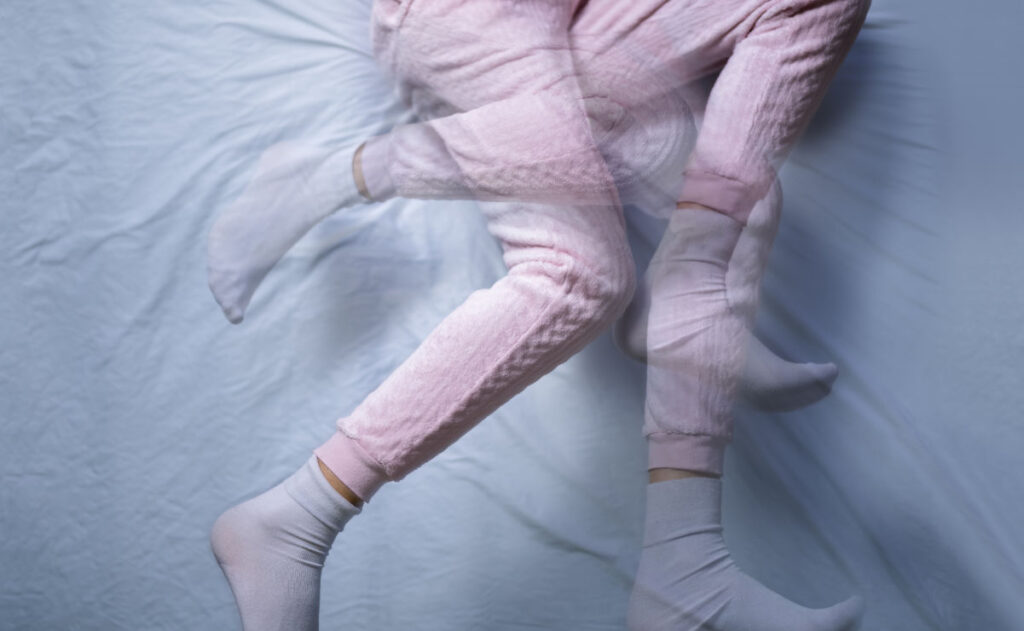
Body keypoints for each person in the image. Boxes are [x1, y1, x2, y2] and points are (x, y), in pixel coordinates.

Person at [207, 0, 871, 629]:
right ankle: (296, 514)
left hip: (568, 16)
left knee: (745, 164)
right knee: (580, 276)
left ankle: (685, 562)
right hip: (476, 17)